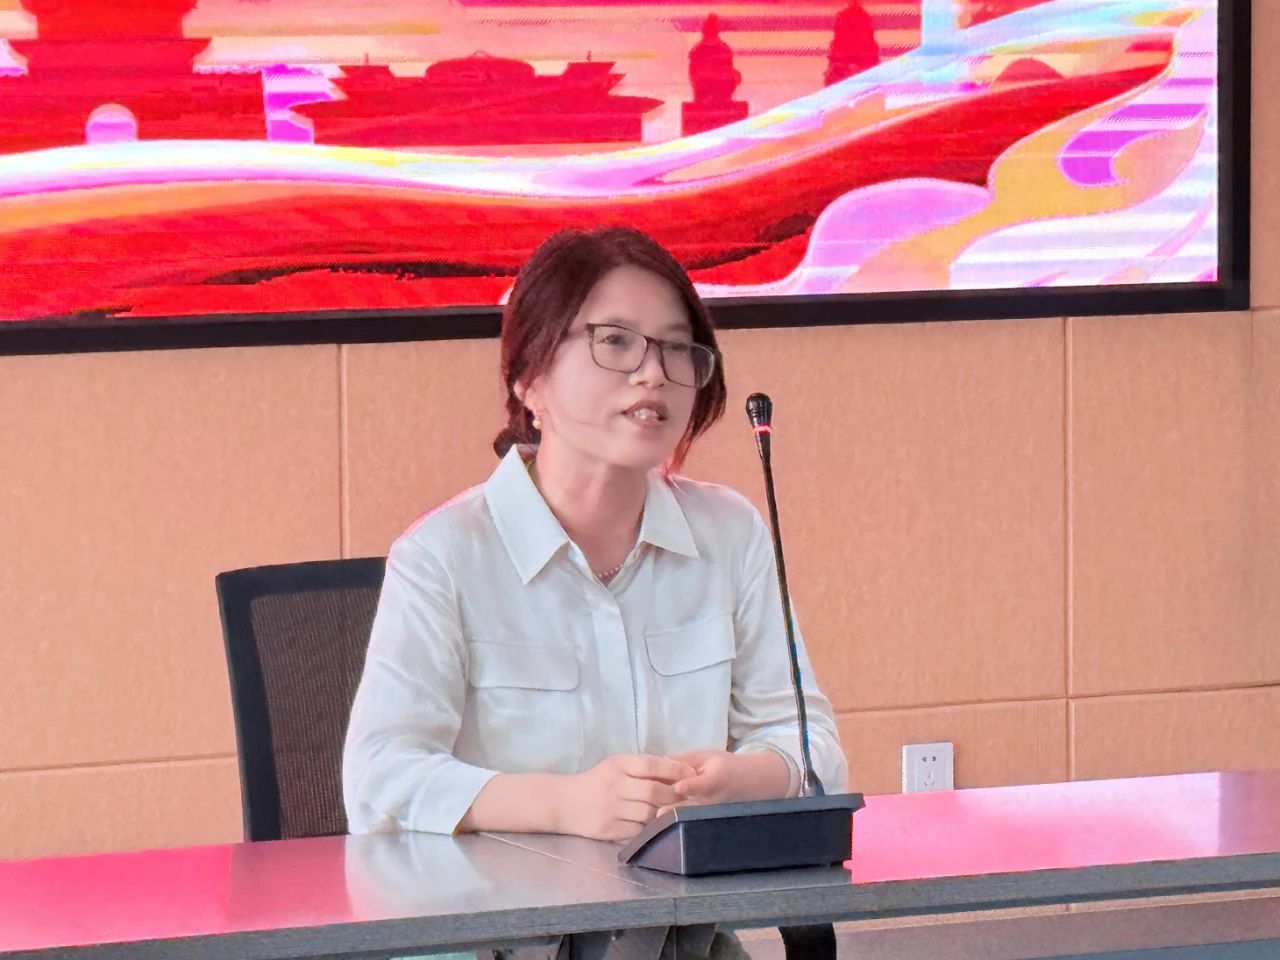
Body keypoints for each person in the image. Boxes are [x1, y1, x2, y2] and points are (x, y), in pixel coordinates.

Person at [342, 227, 847, 954]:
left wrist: (741, 778)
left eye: (678, 348)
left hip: (680, 941)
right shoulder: (444, 555)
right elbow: (380, 780)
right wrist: (567, 803)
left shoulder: (729, 533)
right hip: (506, 942)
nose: (654, 374)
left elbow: (813, 746)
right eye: (616, 341)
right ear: (530, 378)